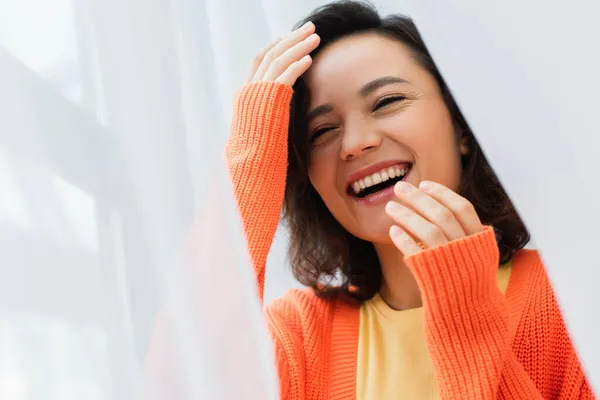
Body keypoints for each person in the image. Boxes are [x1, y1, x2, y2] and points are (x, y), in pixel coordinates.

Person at [226, 1, 595, 399]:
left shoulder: (573, 294)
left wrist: (466, 317)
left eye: (386, 102)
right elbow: (181, 373)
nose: (354, 143)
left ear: (463, 128)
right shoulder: (299, 334)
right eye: (322, 130)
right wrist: (250, 159)